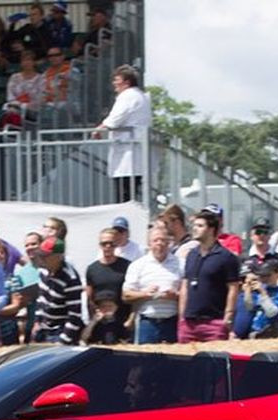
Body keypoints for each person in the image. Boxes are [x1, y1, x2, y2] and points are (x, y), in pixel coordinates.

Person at [178, 209, 240, 343]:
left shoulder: (226, 257)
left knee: (214, 363)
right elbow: (185, 286)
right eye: (194, 225)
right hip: (189, 324)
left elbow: (233, 288)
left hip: (214, 323)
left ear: (211, 229)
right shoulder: (191, 255)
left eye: (200, 226)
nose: (195, 229)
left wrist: (228, 317)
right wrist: (182, 317)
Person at [94, 64, 150, 202]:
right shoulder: (140, 96)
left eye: (117, 80)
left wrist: (100, 128)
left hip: (128, 151)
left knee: (124, 192)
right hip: (133, 151)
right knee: (130, 190)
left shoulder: (128, 96)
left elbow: (116, 117)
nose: (114, 83)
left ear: (126, 82)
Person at [122, 226, 181, 344]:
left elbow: (189, 294)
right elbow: (126, 296)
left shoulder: (181, 263)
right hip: (147, 323)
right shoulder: (138, 265)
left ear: (169, 242)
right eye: (156, 240)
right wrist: (145, 294)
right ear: (149, 243)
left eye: (163, 240)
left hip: (172, 322)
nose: (160, 243)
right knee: (145, 361)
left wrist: (175, 295)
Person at [86, 227, 132, 340]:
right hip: (100, 322)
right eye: (104, 243)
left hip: (121, 322)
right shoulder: (92, 269)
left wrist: (131, 320)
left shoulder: (127, 266)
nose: (108, 247)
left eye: (111, 243)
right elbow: (89, 297)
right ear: (100, 245)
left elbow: (131, 295)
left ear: (117, 244)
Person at [232, 254, 278, 340]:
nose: (264, 279)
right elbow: (249, 307)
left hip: (271, 331)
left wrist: (263, 293)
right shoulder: (259, 290)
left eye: (268, 275)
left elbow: (272, 313)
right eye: (262, 276)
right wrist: (248, 292)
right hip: (255, 331)